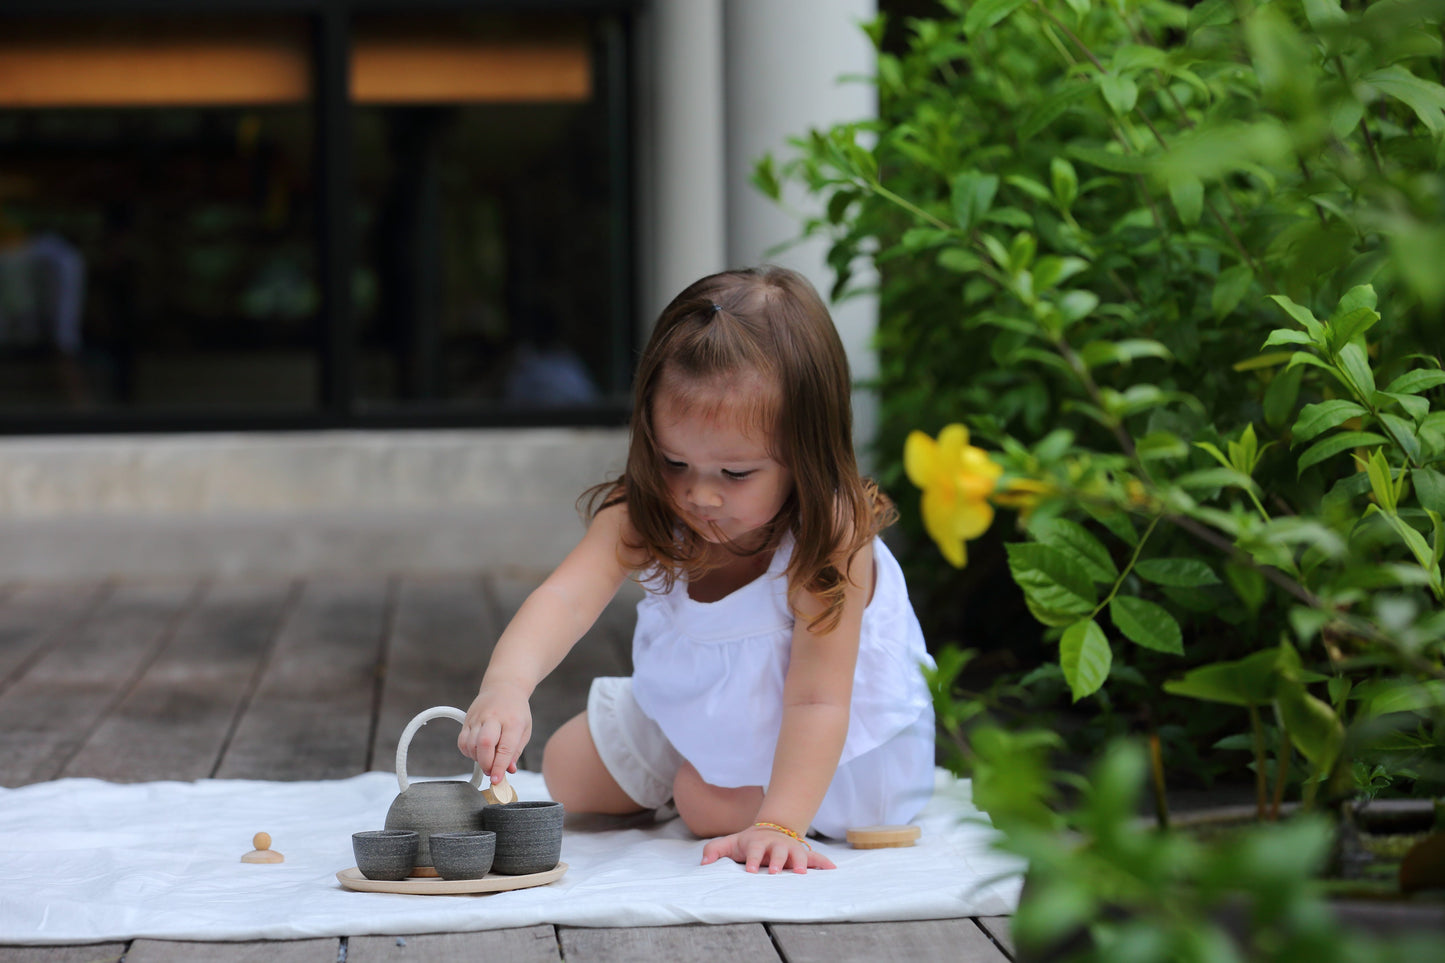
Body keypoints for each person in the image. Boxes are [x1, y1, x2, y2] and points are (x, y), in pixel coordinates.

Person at [458, 266, 935, 875]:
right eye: (674, 461)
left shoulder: (828, 537)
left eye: (735, 474)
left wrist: (780, 824)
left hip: (831, 746)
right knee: (567, 769)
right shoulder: (649, 511)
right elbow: (565, 600)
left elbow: (818, 700)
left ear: (805, 454)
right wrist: (507, 685)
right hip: (717, 705)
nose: (699, 496)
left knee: (702, 799)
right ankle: (704, 766)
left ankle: (742, 796)